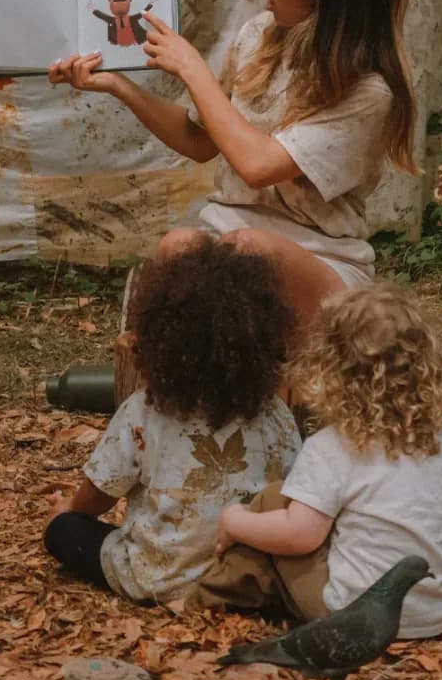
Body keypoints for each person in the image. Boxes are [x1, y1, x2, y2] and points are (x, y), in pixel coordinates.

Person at [48, 0, 417, 335]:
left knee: (253, 250)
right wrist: (115, 84)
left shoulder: (370, 92)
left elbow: (258, 166)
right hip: (228, 244)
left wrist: (191, 68)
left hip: (316, 262)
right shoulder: (260, 34)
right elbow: (200, 140)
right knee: (179, 246)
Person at [200, 281, 442, 636]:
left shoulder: (333, 447)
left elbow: (300, 536)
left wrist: (234, 520)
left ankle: (210, 594)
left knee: (272, 502)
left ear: (331, 371)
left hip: (359, 618)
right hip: (440, 611)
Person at [42, 235, 300, 602]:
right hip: (244, 578)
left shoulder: (146, 410)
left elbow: (95, 499)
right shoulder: (276, 413)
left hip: (157, 576)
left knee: (64, 531)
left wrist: (66, 511)